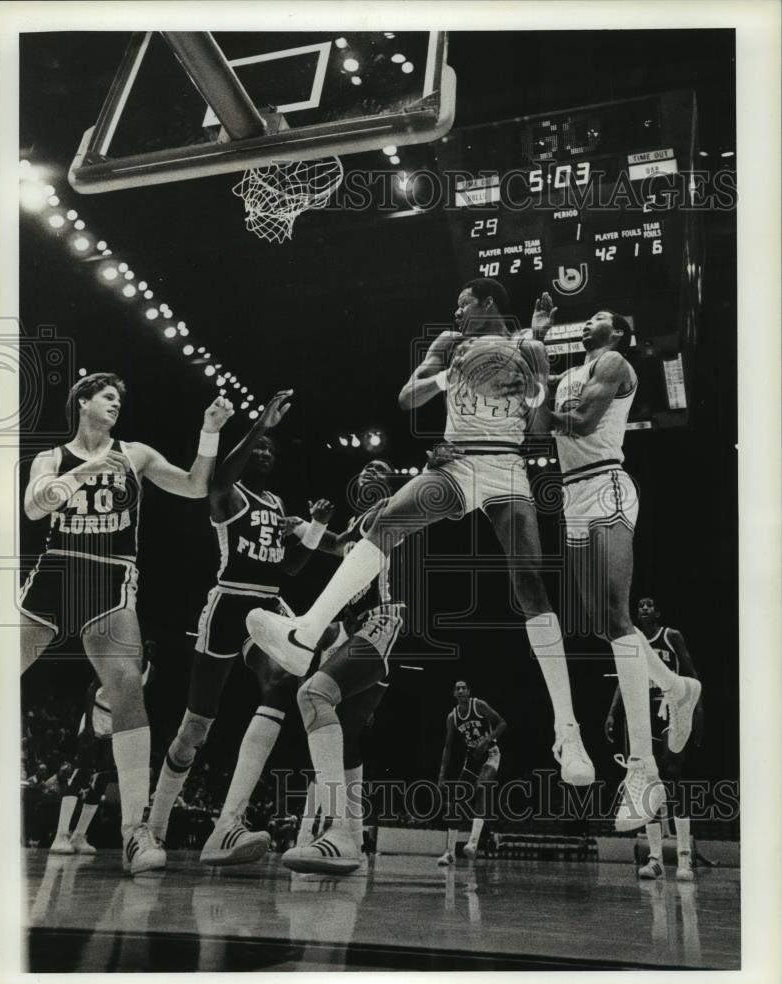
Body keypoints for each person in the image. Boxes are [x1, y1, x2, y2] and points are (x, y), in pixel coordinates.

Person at [248, 280, 594, 789]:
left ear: (488, 303)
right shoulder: (449, 343)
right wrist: (446, 377)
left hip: (506, 468)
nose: (455, 311)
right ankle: (303, 634)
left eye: (463, 303)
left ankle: (568, 732)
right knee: (385, 524)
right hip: (456, 463)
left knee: (530, 587)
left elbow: (540, 419)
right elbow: (408, 396)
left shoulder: (529, 345)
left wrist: (530, 366)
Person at [20, 372, 233, 874]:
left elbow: (195, 485)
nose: (117, 404)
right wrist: (89, 472)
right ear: (83, 402)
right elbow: (34, 508)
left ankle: (134, 831)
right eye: (108, 396)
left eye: (121, 397)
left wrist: (210, 430)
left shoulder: (135, 453)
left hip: (109, 577)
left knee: (127, 690)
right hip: (56, 571)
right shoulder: (51, 457)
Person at [147, 390, 336, 866]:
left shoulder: (275, 503)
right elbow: (216, 480)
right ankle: (154, 823)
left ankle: (226, 825)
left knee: (280, 681)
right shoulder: (230, 495)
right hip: (228, 605)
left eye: (272, 449)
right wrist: (259, 428)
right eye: (259, 449)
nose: (267, 453)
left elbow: (291, 567)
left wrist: (313, 528)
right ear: (245, 453)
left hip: (267, 607)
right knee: (196, 727)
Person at [539, 300, 702, 831]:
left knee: (614, 611)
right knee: (608, 625)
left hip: (608, 482)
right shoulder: (565, 374)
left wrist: (540, 413)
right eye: (587, 319)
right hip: (571, 496)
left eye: (600, 317)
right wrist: (538, 339)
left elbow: (580, 424)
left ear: (620, 332)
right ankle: (677, 689)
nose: (589, 321)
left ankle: (643, 769)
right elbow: (541, 409)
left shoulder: (614, 365)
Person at [279, 459, 402, 875]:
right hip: (355, 629)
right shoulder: (356, 526)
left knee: (313, 694)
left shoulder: (394, 509)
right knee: (345, 735)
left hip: (381, 620)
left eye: (380, 468)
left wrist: (432, 472)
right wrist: (303, 526)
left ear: (389, 483)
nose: (370, 470)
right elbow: (336, 544)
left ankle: (335, 829)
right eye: (366, 467)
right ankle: (351, 838)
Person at [605, 597, 704, 880]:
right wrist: (612, 712)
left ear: (658, 611)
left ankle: (684, 858)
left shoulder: (671, 636)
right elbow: (624, 679)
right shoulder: (630, 638)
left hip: (668, 707)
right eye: (640, 606)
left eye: (649, 605)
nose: (644, 609)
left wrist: (698, 712)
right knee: (645, 779)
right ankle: (655, 858)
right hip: (641, 711)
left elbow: (690, 672)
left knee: (673, 773)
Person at [49, 641, 156, 855]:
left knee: (103, 777)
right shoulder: (118, 664)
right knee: (83, 771)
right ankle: (60, 836)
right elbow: (91, 689)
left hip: (116, 722)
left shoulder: (150, 671)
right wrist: (88, 725)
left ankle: (79, 835)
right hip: (96, 714)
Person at [436, 679, 507, 866]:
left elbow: (502, 723)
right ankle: (450, 852)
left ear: (468, 691)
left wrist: (486, 740)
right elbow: (448, 748)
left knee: (482, 787)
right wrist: (442, 774)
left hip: (491, 754)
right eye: (457, 688)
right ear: (454, 693)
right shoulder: (452, 717)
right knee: (456, 801)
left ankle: (473, 843)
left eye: (463, 688)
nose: (460, 691)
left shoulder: (479, 705)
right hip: (472, 759)